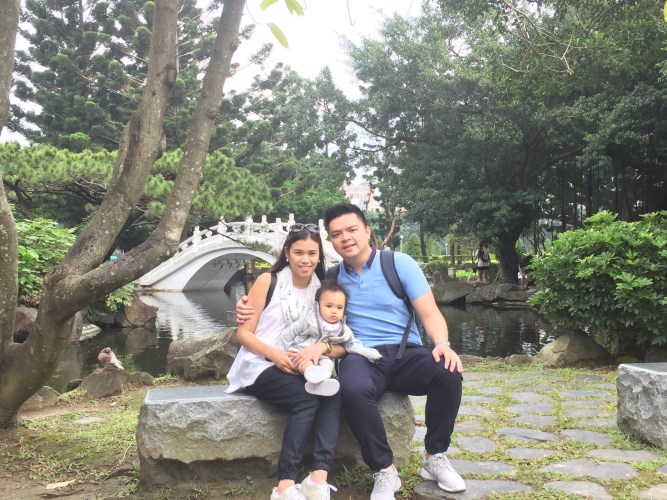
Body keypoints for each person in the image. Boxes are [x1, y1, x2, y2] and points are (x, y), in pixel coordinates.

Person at [238, 205, 466, 499]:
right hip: (359, 355)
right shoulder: (330, 279)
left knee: (447, 371)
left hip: (406, 352)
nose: (345, 238)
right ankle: (384, 470)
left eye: (351, 230)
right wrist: (245, 306)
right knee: (352, 388)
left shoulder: (399, 264)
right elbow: (313, 317)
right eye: (336, 234)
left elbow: (430, 313)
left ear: (367, 231)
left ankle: (435, 455)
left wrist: (442, 343)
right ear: (331, 242)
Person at [226, 223, 341, 500]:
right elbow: (244, 334)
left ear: (319, 256)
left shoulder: (322, 291)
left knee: (334, 392)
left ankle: (317, 480)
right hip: (260, 363)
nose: (306, 260)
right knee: (307, 398)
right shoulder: (268, 281)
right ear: (287, 253)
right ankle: (285, 485)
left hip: (302, 364)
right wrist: (274, 354)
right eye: (299, 252)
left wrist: (318, 349)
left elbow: (339, 340)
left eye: (312, 253)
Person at [281, 280, 382, 397]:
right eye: (329, 306)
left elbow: (352, 344)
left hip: (323, 356)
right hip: (300, 352)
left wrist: (370, 354)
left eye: (339, 307)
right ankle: (311, 373)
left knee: (328, 364)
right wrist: (280, 351)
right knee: (305, 363)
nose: (334, 311)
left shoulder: (343, 330)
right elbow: (289, 333)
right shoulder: (309, 320)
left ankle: (319, 385)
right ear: (317, 306)